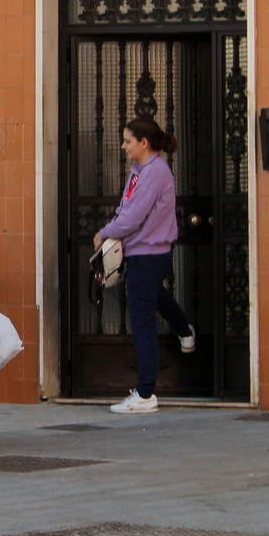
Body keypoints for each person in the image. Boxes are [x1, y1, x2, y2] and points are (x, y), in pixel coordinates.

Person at [95, 115, 195, 415]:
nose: (124, 146)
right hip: (144, 253)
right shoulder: (140, 171)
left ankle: (146, 394)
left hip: (148, 254)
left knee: (141, 322)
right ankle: (185, 331)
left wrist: (105, 232)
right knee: (157, 298)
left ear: (144, 143)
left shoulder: (155, 172)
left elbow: (134, 215)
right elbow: (127, 207)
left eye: (128, 141)